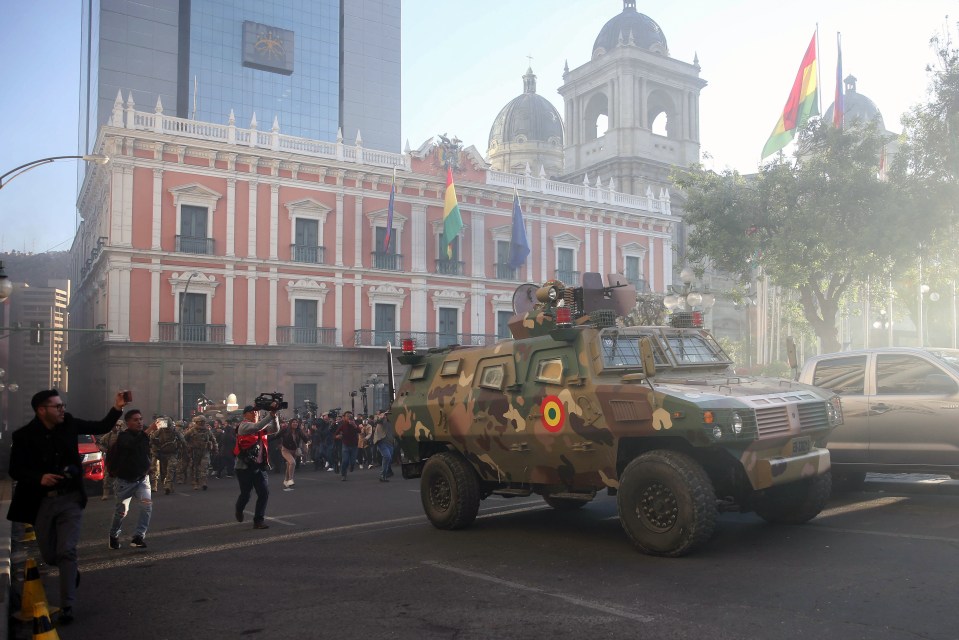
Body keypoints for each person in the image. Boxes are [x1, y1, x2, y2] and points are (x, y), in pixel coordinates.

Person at [7, 389, 127, 625]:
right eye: (57, 406)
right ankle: (69, 570)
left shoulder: (69, 424)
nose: (63, 409)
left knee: (67, 551)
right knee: (51, 555)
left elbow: (101, 426)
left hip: (70, 498)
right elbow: (15, 470)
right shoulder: (23, 436)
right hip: (41, 501)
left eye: (63, 405)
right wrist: (38, 477)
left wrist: (117, 407)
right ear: (41, 410)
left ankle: (67, 606)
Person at [108, 409, 159, 549]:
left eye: (141, 419)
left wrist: (148, 467)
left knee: (146, 507)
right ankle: (113, 535)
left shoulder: (143, 437)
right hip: (125, 482)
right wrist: (148, 430)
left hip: (142, 480)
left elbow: (144, 453)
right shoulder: (123, 436)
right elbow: (130, 445)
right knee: (121, 512)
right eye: (135, 420)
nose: (139, 422)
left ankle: (138, 537)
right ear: (128, 423)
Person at [234, 403, 280, 529]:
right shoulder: (243, 426)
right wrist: (270, 415)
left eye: (257, 412)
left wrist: (275, 416)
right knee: (246, 494)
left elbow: (275, 429)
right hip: (244, 467)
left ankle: (258, 520)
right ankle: (239, 509)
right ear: (245, 415)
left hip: (259, 466)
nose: (255, 413)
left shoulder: (261, 427)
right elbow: (257, 427)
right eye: (252, 411)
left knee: (264, 493)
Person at [150, 417, 184, 495]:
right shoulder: (160, 431)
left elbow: (182, 441)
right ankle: (156, 485)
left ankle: (168, 485)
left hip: (172, 453)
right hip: (162, 453)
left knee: (171, 469)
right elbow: (152, 439)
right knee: (159, 470)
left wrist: (184, 450)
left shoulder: (175, 431)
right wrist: (156, 445)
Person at [184, 415, 217, 490]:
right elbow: (184, 439)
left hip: (205, 451)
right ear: (196, 422)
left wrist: (215, 449)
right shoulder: (191, 431)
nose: (201, 423)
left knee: (204, 466)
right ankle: (196, 482)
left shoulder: (207, 430)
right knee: (196, 468)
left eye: (203, 422)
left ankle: (204, 482)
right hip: (195, 451)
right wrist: (188, 447)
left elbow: (213, 440)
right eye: (200, 422)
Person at [98, 421, 124, 500]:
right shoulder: (108, 436)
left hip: (122, 458)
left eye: (118, 426)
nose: (116, 428)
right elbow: (100, 444)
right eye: (114, 426)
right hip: (111, 459)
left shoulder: (123, 435)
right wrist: (105, 450)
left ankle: (122, 493)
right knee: (107, 476)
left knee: (123, 477)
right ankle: (105, 494)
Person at [334, 410, 361, 481]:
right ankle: (343, 474)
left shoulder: (355, 422)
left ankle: (352, 466)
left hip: (354, 445)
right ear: (344, 417)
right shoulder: (342, 424)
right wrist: (337, 436)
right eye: (347, 416)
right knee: (345, 461)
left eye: (350, 416)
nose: (349, 417)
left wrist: (354, 425)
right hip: (345, 444)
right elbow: (335, 434)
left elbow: (359, 431)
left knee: (352, 461)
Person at [373, 411, 395, 482]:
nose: (389, 415)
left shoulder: (393, 420)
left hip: (390, 442)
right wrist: (382, 416)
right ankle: (383, 475)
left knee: (389, 458)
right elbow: (376, 421)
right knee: (387, 456)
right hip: (381, 441)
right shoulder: (381, 419)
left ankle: (386, 473)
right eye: (387, 414)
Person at [279, 418, 300, 490]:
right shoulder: (285, 430)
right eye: (293, 422)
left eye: (296, 422)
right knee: (292, 463)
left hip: (294, 451)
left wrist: (308, 441)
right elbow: (276, 436)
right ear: (290, 423)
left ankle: (286, 480)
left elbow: (304, 437)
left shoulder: (298, 431)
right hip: (285, 450)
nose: (295, 423)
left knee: (289, 465)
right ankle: (290, 479)